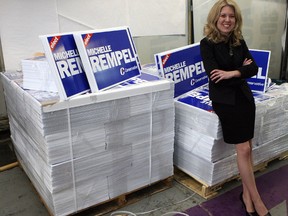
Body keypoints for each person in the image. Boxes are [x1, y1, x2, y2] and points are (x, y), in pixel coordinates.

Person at [200, 1, 271, 216]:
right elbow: (215, 77)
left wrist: (231, 73)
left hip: (244, 99)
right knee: (243, 149)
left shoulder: (238, 41)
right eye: (223, 15)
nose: (227, 20)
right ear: (216, 18)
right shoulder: (207, 44)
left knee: (247, 149)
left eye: (231, 16)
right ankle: (257, 201)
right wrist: (241, 70)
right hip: (225, 101)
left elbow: (254, 68)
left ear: (235, 20)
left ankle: (247, 197)